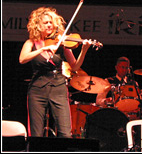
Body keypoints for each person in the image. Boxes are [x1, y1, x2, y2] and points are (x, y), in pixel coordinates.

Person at [19, 7, 91, 138]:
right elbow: (22, 59)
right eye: (45, 22)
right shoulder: (31, 43)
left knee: (65, 132)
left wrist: (84, 50)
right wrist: (43, 49)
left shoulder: (61, 43)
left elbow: (75, 67)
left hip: (58, 87)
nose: (49, 25)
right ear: (38, 25)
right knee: (36, 133)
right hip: (37, 90)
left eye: (51, 22)